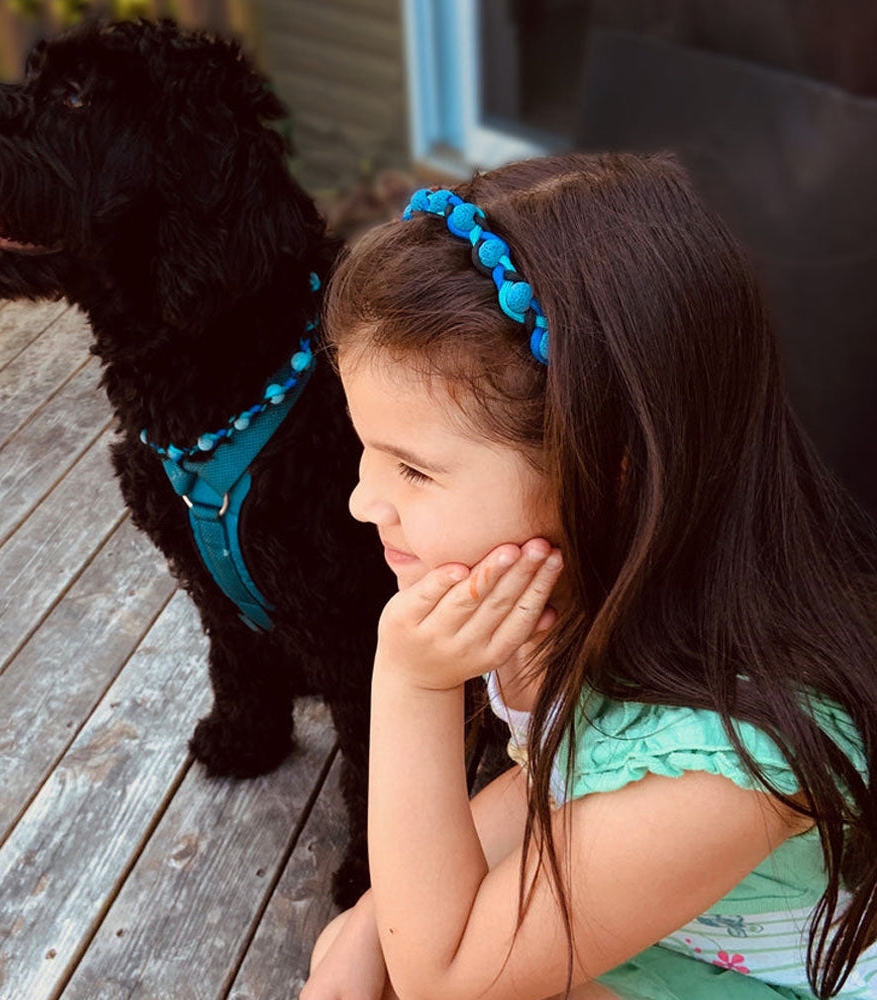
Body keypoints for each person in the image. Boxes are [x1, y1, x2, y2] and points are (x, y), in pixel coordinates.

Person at [300, 152, 877, 1000]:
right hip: (665, 930)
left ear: (605, 473)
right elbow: (556, 790)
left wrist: (411, 686)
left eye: (413, 471)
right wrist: (365, 925)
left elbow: (450, 980)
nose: (362, 502)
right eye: (366, 451)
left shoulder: (733, 768)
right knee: (362, 950)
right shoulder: (572, 601)